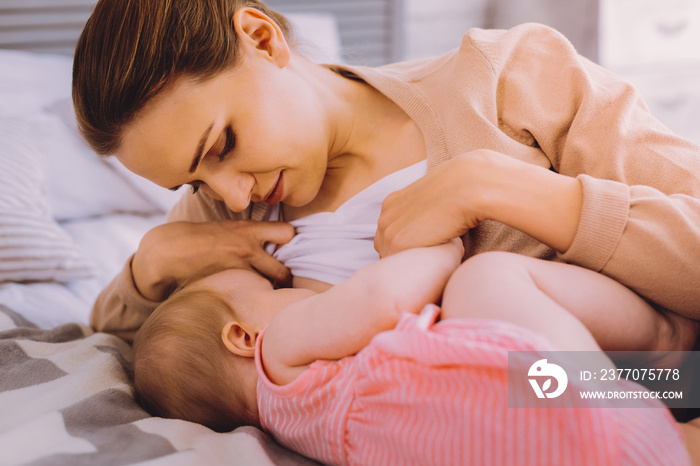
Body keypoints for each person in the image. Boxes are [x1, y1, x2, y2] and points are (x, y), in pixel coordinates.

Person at [73, 0, 700, 351]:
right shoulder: (228, 218)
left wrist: (501, 188)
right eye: (193, 183)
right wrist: (148, 265)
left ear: (262, 38)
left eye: (223, 145)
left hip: (661, 382)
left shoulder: (509, 79)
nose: (232, 193)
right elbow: (136, 350)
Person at [132, 240, 698, 465]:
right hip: (567, 403)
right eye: (273, 293)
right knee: (485, 276)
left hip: (574, 448)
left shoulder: (303, 430)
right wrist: (442, 247)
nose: (294, 294)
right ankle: (670, 342)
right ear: (242, 337)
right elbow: (380, 296)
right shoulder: (276, 350)